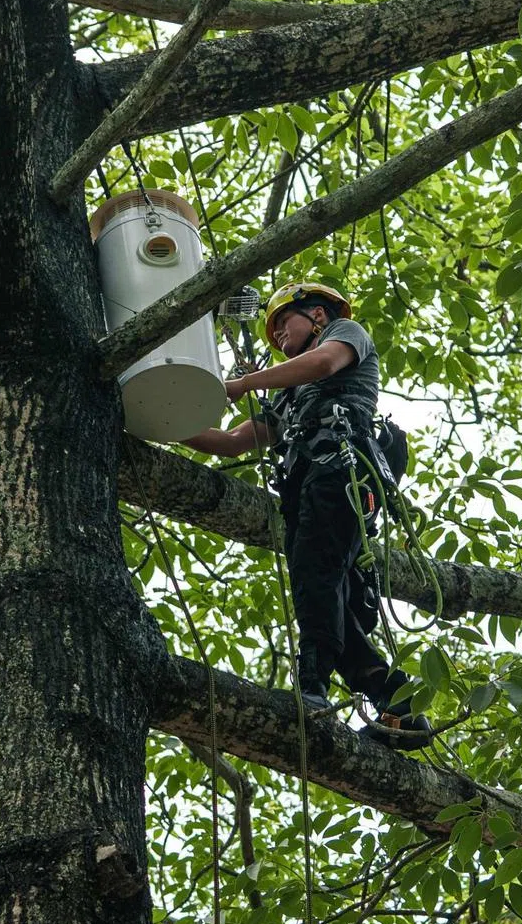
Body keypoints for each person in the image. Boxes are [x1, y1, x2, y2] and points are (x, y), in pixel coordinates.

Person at [184, 282, 430, 749]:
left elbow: (322, 362)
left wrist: (245, 383)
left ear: (317, 315)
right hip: (310, 486)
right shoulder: (289, 397)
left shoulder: (344, 333)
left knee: (316, 579)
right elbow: (233, 441)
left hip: (341, 469)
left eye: (284, 323)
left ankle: (311, 691)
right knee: (329, 600)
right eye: (272, 328)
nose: (277, 335)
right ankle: (396, 701)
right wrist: (164, 420)